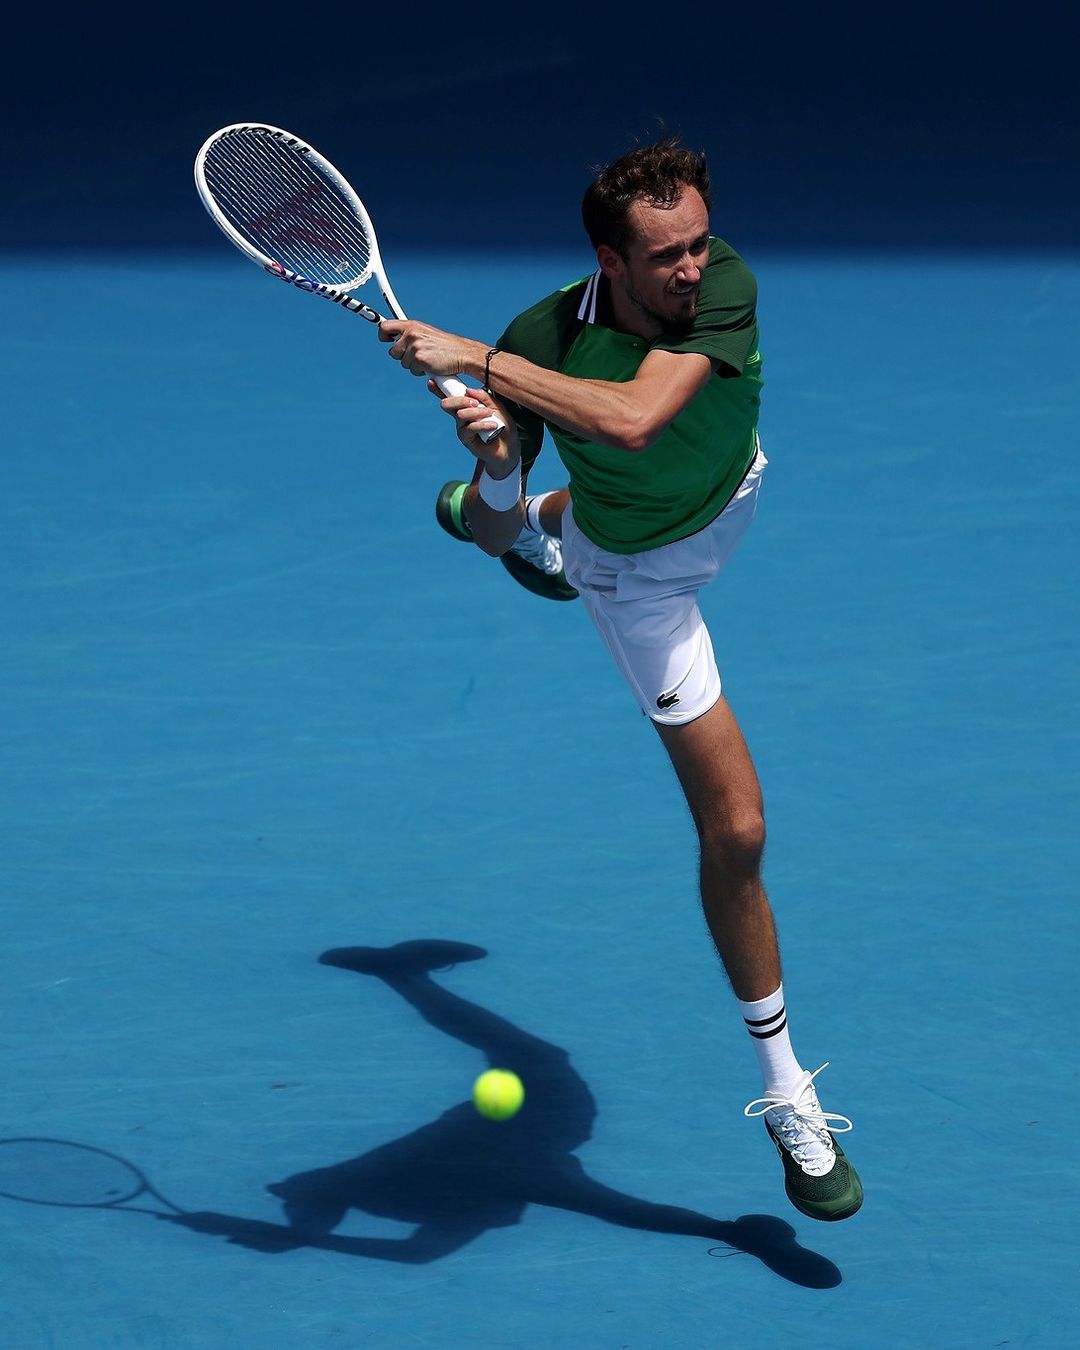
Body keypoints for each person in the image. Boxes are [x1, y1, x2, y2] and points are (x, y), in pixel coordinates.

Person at [378, 139, 862, 1223]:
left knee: (572, 511)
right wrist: (499, 467)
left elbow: (639, 422)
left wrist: (477, 365)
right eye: (666, 256)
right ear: (609, 257)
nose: (693, 269)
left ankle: (554, 542)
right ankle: (787, 1094)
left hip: (722, 498)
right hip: (646, 584)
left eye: (697, 242)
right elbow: (509, 486)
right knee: (735, 833)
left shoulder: (720, 286)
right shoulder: (544, 340)